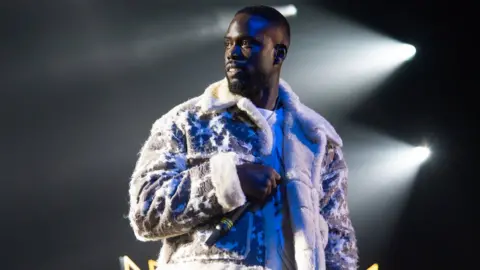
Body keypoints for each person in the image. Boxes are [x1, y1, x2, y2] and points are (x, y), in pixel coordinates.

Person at [128, 5, 358, 270]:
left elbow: (340, 244)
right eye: (229, 44)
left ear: (278, 54)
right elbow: (145, 212)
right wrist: (227, 181)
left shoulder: (316, 139)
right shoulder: (186, 122)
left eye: (248, 44)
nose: (233, 54)